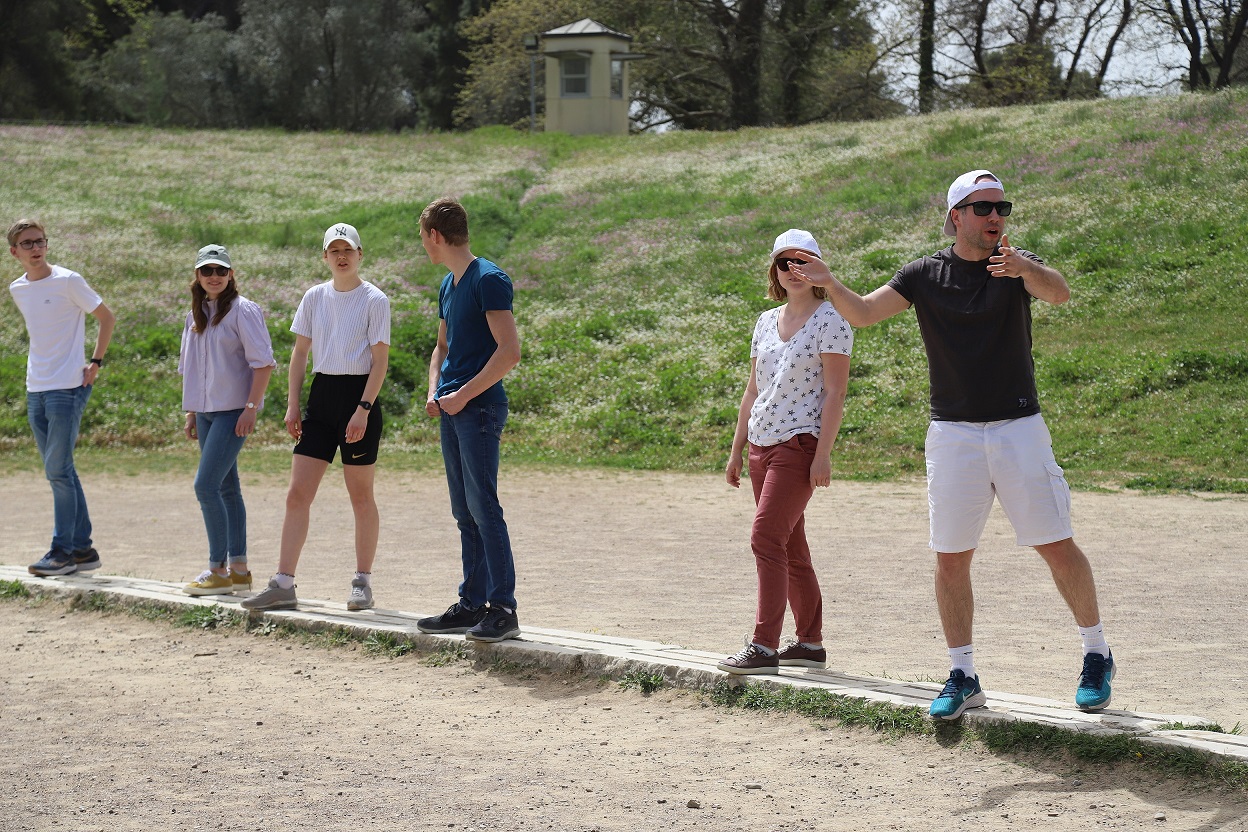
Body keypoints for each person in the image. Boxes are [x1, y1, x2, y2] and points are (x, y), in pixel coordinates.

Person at [791, 170, 1114, 717]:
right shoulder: (924, 274)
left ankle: (1097, 653)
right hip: (953, 434)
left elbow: (1058, 293)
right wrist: (828, 282)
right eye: (983, 207)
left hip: (1018, 428)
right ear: (955, 216)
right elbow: (866, 314)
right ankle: (962, 674)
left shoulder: (1015, 263)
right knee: (950, 559)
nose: (995, 217)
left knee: (1055, 544)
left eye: (1002, 207)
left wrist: (1023, 266)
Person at [717, 229, 853, 675]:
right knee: (790, 543)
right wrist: (737, 449)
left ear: (819, 268)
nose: (794, 271)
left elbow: (834, 393)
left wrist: (823, 454)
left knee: (764, 538)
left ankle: (763, 646)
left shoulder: (832, 319)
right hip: (760, 445)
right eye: (784, 263)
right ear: (775, 272)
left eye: (804, 261)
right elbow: (753, 388)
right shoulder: (764, 321)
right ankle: (810, 644)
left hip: (800, 444)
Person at [242, 223, 390, 613]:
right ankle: (283, 583)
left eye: (348, 249)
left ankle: (362, 581)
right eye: (334, 250)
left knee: (360, 496)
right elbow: (300, 353)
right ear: (325, 257)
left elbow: (380, 362)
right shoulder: (314, 297)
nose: (341, 256)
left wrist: (363, 409)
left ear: (360, 254)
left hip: (359, 400)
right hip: (321, 399)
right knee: (297, 494)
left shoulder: (375, 299)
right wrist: (293, 404)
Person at [415, 198, 523, 643]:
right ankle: (472, 604)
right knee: (464, 512)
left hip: (478, 409)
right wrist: (435, 389)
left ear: (435, 236)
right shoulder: (448, 284)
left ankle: (503, 610)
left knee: (484, 510)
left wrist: (462, 395)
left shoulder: (489, 279)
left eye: (423, 237)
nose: (424, 245)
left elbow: (509, 352)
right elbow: (441, 348)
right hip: (453, 407)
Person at [8, 219, 116, 577]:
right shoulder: (18, 289)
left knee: (57, 470)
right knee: (61, 470)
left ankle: (62, 552)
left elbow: (106, 317)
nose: (36, 248)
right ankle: (83, 550)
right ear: (15, 252)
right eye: (27, 244)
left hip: (67, 388)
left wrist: (96, 363)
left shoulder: (69, 280)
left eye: (40, 241)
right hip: (34, 387)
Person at [179, 245, 276, 596]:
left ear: (231, 274)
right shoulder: (195, 314)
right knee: (227, 488)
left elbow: (263, 363)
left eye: (221, 270)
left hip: (233, 412)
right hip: (205, 413)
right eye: (207, 271)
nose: (214, 276)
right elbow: (189, 366)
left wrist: (251, 407)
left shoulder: (242, 311)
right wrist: (191, 411)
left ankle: (217, 570)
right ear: (198, 276)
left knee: (205, 486)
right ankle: (239, 570)